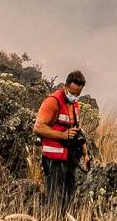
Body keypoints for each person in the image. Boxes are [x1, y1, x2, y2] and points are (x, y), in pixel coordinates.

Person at [34, 70, 88, 212]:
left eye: (78, 93)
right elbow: (38, 128)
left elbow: (76, 129)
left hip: (70, 158)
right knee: (55, 198)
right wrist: (62, 135)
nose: (74, 96)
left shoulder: (75, 104)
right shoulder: (52, 101)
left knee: (68, 195)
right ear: (65, 86)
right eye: (72, 92)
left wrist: (85, 151)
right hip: (54, 159)